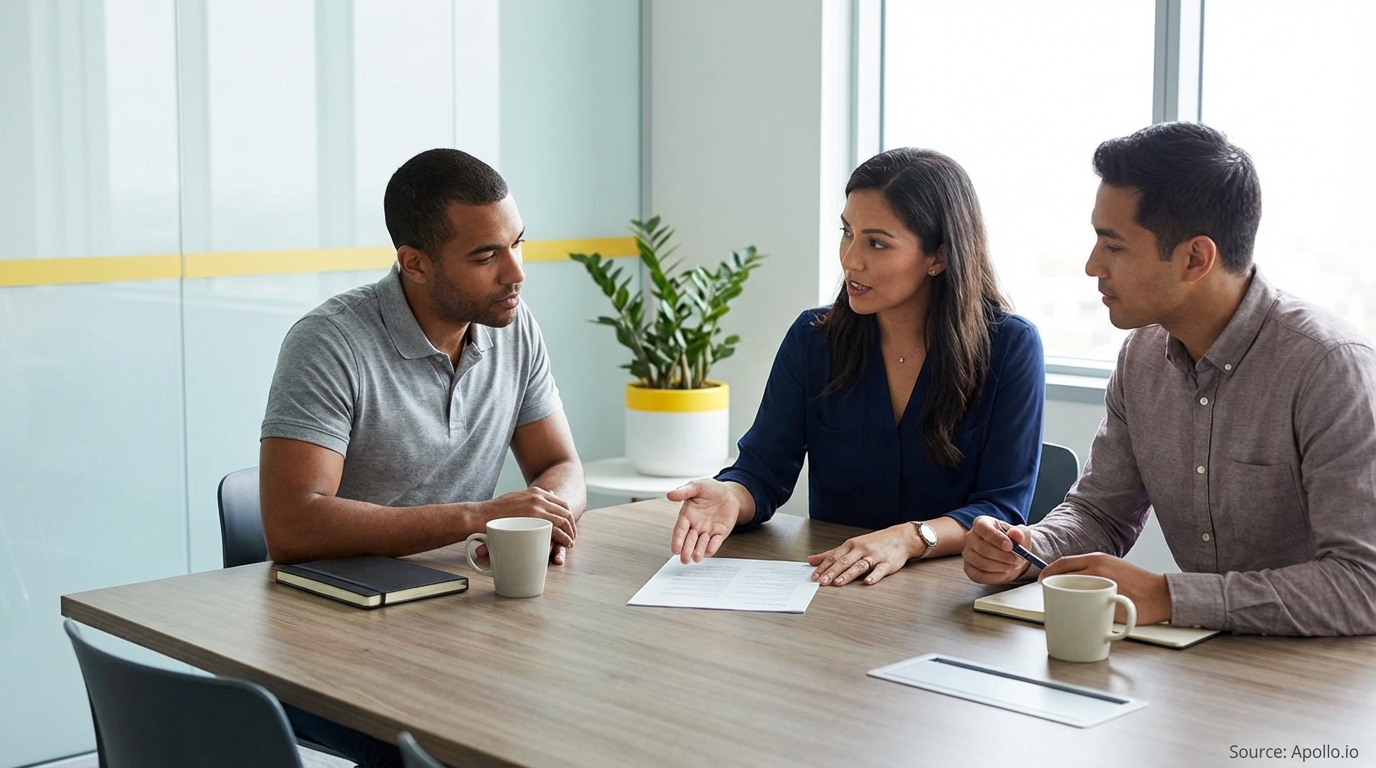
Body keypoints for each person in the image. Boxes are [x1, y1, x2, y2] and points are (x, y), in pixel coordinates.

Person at [963, 122, 1376, 637]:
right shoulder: (1141, 356)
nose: (1092, 266)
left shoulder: (1330, 367)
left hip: (1326, 681)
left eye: (1113, 247)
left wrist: (1168, 596)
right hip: (1202, 663)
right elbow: (1101, 513)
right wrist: (1025, 549)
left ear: (1196, 259)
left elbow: (1364, 585)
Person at [259, 148, 586, 765]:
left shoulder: (513, 327)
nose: (515, 273)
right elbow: (291, 525)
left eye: (517, 243)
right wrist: (476, 516)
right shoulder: (330, 343)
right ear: (414, 262)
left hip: (461, 622)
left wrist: (548, 515)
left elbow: (560, 467)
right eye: (486, 256)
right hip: (338, 646)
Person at [668, 148, 1045, 587]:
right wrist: (731, 495)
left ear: (938, 256)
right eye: (847, 232)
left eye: (877, 243)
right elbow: (763, 471)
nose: (850, 259)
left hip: (947, 597)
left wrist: (910, 538)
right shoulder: (813, 338)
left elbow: (1001, 509)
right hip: (834, 588)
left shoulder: (1010, 346)